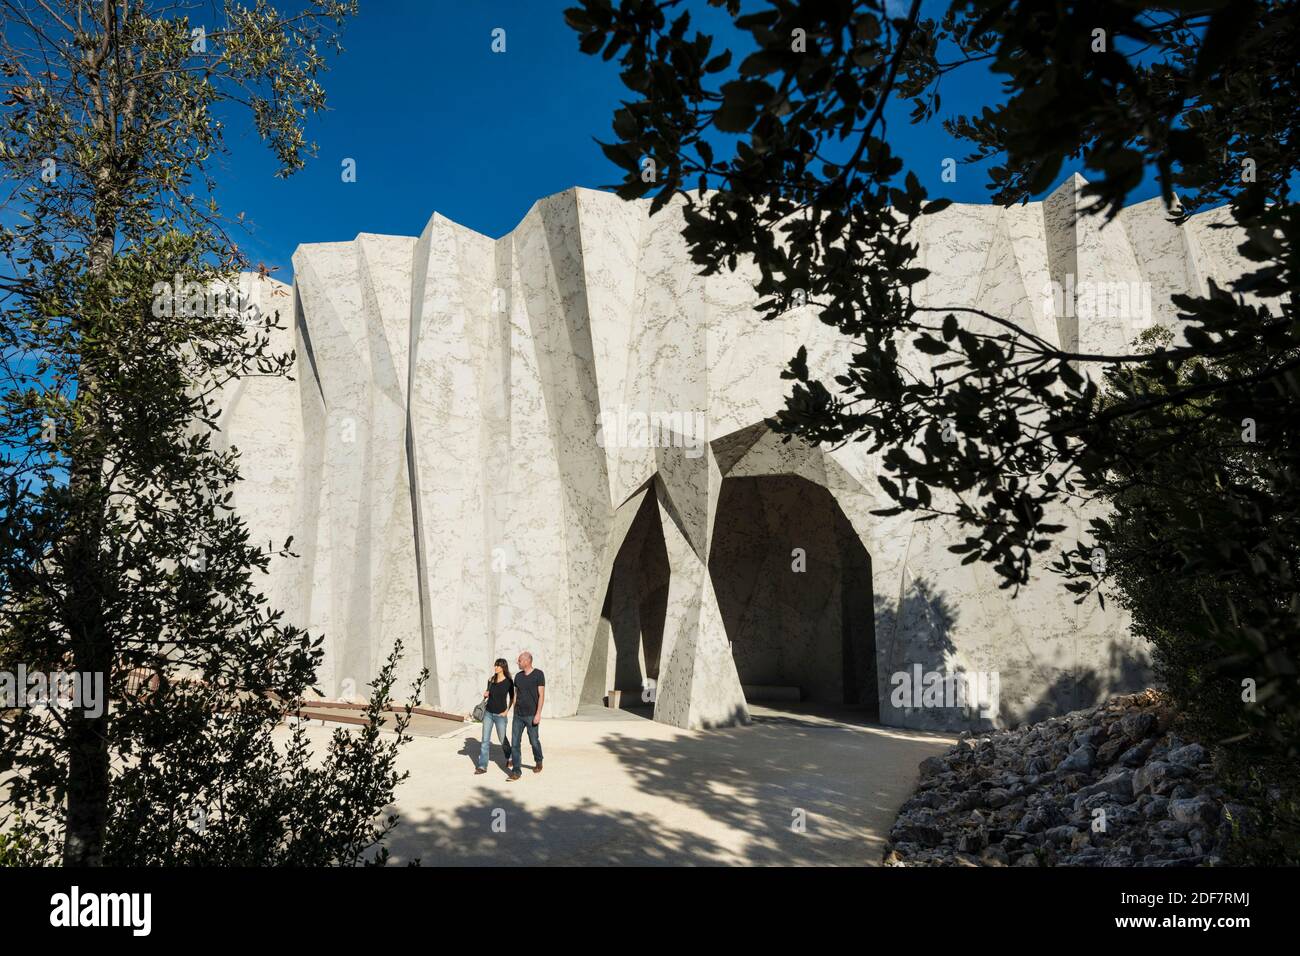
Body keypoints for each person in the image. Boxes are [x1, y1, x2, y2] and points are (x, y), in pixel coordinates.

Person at [507, 650, 545, 780]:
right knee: (515, 743)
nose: (518, 662)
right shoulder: (518, 676)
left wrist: (538, 714)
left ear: (527, 661)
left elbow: (541, 696)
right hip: (518, 715)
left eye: (520, 660)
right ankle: (516, 771)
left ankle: (539, 760)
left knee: (534, 741)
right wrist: (513, 708)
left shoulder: (538, 674)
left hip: (531, 715)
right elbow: (516, 694)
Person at [475, 658, 514, 775]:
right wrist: (486, 694)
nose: (495, 667)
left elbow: (512, 697)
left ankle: (510, 757)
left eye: (498, 666)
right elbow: (488, 693)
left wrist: (507, 710)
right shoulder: (491, 680)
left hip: (500, 715)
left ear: (503, 667)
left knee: (502, 739)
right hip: (488, 713)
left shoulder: (508, 682)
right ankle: (482, 766)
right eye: (495, 665)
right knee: (485, 740)